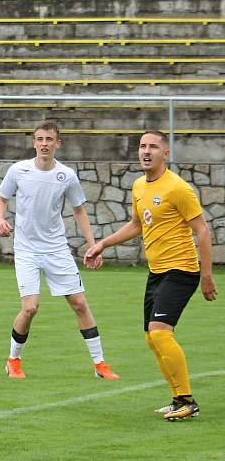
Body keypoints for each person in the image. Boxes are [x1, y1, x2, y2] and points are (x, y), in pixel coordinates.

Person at [85, 130, 218, 421]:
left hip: (181, 270)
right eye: (143, 146)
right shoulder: (138, 186)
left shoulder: (178, 188)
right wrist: (102, 244)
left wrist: (207, 276)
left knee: (160, 332)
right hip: (156, 271)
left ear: (165, 153)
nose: (146, 151)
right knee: (151, 337)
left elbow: (203, 231)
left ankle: (187, 400)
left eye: (153, 147)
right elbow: (136, 225)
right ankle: (177, 398)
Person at [0, 121, 119, 380]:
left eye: (49, 139)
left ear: (57, 143)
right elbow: (2, 200)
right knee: (30, 308)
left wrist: (92, 244)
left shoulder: (67, 175)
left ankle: (100, 364)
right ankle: (13, 360)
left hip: (56, 249)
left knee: (80, 303)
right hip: (26, 249)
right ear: (34, 143)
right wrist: (0, 219)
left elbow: (79, 210)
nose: (44, 144)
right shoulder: (19, 170)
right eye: (39, 139)